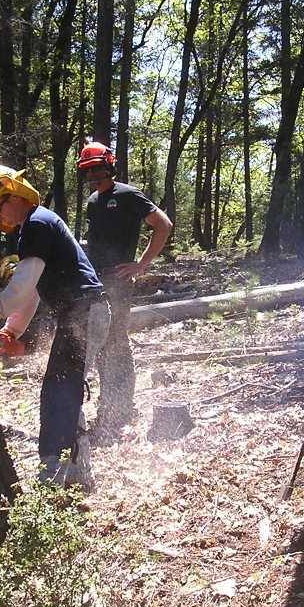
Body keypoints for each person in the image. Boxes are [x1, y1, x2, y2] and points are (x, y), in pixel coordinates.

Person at [0, 164, 110, 489]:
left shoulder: (37, 222)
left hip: (85, 313)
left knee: (59, 394)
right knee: (64, 393)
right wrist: (11, 331)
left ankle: (53, 479)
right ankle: (78, 477)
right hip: (80, 314)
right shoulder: (33, 227)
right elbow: (32, 291)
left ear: (16, 191)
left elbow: (21, 286)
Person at [78, 142, 173, 435]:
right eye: (88, 171)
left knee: (116, 342)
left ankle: (118, 410)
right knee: (100, 343)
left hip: (118, 282)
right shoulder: (94, 201)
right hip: (96, 280)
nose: (94, 175)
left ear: (110, 166)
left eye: (98, 168)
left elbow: (163, 225)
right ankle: (111, 404)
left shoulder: (128, 195)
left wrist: (141, 264)